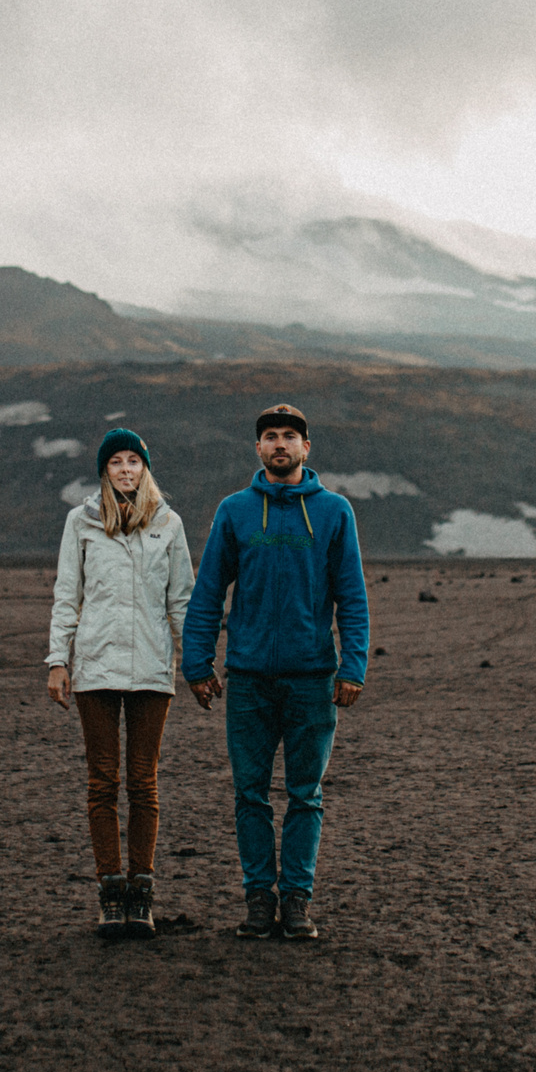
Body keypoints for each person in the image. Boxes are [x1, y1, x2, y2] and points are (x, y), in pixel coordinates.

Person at [180, 403, 369, 942]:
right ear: (258, 448)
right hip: (249, 680)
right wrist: (197, 663)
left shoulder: (334, 512)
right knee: (251, 794)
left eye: (290, 436)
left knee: (306, 793)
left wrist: (352, 666)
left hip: (312, 679)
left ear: (306, 448)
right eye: (270, 436)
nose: (280, 444)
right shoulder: (235, 511)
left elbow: (351, 596)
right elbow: (210, 590)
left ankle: (297, 901)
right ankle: (259, 899)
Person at [46, 427, 194, 940]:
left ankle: (141, 893)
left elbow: (181, 602)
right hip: (96, 670)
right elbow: (69, 593)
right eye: (116, 462)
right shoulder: (81, 523)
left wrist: (195, 664)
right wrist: (57, 660)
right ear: (104, 471)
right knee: (103, 782)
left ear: (146, 468)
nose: (126, 469)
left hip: (152, 669)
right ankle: (111, 892)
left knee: (144, 782)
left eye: (134, 460)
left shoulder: (168, 525)